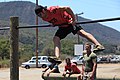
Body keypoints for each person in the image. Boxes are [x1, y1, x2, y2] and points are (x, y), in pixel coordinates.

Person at [35, 5, 105, 59]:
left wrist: (73, 19)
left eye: (40, 14)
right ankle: (57, 57)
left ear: (44, 10)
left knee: (82, 33)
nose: (40, 16)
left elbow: (67, 8)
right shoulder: (44, 18)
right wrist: (53, 24)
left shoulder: (53, 9)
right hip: (63, 27)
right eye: (38, 16)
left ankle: (98, 45)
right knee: (56, 39)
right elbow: (55, 21)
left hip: (70, 22)